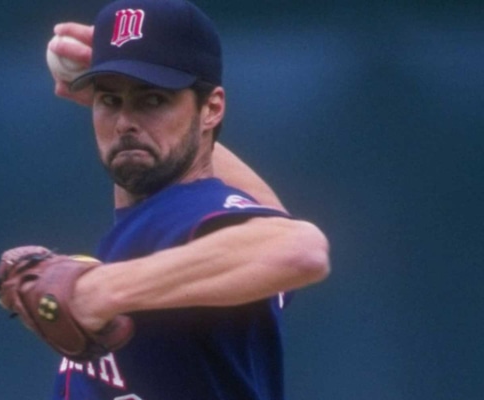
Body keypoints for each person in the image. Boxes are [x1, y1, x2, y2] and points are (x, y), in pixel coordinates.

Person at [33, 0, 330, 398]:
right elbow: (271, 219)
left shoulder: (185, 215)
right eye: (109, 100)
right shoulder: (179, 223)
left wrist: (101, 290)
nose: (124, 122)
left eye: (153, 100)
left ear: (212, 109)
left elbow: (300, 248)